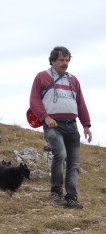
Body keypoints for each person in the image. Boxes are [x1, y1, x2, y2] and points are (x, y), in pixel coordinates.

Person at [29, 46, 92, 209]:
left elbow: (80, 103)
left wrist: (86, 125)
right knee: (61, 154)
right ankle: (55, 193)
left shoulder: (74, 80)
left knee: (74, 162)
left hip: (72, 125)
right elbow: (34, 101)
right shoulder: (41, 77)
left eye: (67, 60)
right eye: (61, 60)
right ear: (52, 61)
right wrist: (46, 118)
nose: (65, 63)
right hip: (53, 125)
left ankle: (71, 197)